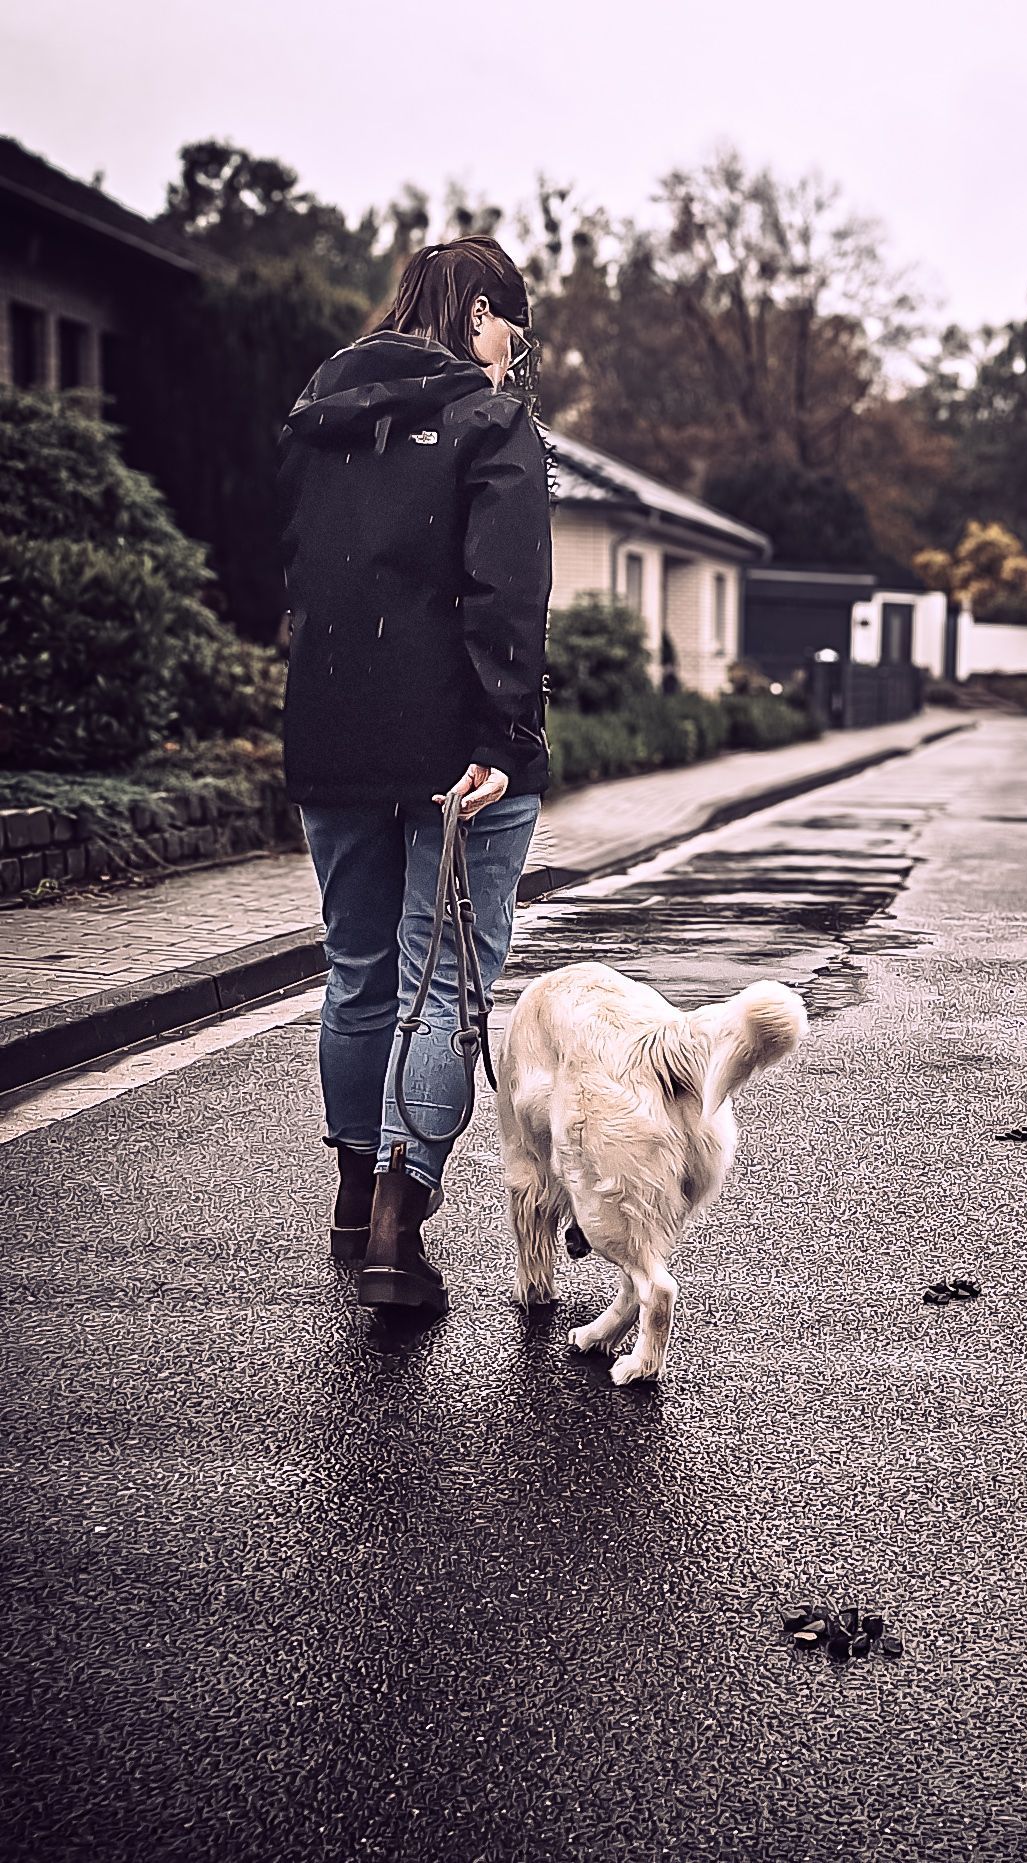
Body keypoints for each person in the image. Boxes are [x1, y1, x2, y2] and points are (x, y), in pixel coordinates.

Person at [278, 236, 552, 1317]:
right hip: (459, 750)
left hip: (332, 733)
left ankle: (355, 1201)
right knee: (442, 984)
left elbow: (296, 573)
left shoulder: (315, 419)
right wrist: (500, 736)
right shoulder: (492, 425)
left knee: (355, 969)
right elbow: (505, 594)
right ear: (480, 310)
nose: (508, 361)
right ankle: (399, 1221)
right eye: (510, 336)